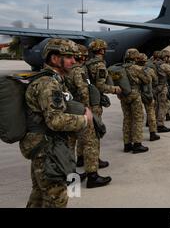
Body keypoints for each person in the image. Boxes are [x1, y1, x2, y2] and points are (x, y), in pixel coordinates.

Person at [20, 38, 93, 207]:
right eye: (68, 57)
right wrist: (84, 119)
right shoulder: (48, 84)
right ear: (54, 59)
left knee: (39, 195)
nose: (73, 61)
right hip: (46, 150)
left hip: (44, 146)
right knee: (57, 199)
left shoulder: (54, 80)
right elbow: (55, 121)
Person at [65, 44, 111, 188]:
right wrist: (87, 110)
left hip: (69, 109)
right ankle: (93, 176)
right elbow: (83, 90)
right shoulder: (78, 71)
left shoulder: (65, 71)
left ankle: (71, 174)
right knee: (90, 141)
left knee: (70, 143)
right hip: (80, 110)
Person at [119, 48, 150, 153]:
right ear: (136, 57)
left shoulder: (121, 68)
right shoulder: (136, 68)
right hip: (135, 95)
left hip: (123, 96)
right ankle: (137, 144)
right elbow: (147, 80)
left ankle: (127, 144)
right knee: (137, 119)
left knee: (127, 119)